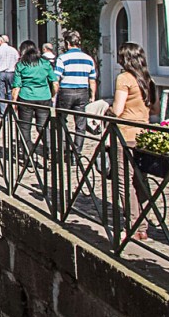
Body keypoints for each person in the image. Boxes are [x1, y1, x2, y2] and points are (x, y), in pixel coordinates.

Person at [107, 42, 159, 241]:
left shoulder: (124, 78)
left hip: (126, 134)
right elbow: (154, 110)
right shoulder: (149, 80)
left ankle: (134, 225)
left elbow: (118, 110)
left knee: (124, 181)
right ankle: (142, 224)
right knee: (140, 180)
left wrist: (107, 110)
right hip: (144, 135)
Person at [11, 40, 57, 162]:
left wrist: (14, 102)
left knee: (25, 128)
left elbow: (16, 86)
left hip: (26, 98)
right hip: (43, 97)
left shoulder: (21, 65)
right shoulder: (45, 63)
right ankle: (50, 151)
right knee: (43, 127)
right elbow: (55, 82)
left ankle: (28, 155)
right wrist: (52, 95)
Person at [54, 29, 97, 158]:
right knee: (81, 123)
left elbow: (56, 78)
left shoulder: (63, 58)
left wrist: (53, 94)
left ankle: (64, 149)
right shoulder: (88, 59)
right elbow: (92, 80)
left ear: (68, 43)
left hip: (66, 91)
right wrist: (92, 95)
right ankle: (76, 151)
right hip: (82, 91)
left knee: (61, 121)